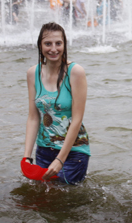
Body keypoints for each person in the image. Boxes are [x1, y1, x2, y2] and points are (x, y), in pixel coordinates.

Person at [23, 22, 90, 184]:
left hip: (73, 151)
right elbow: (33, 117)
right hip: (44, 150)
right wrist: (26, 157)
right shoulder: (33, 73)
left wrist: (60, 160)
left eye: (58, 43)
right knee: (43, 200)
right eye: (48, 44)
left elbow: (77, 119)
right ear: (40, 45)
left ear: (64, 44)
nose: (53, 49)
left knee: (62, 200)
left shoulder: (75, 72)